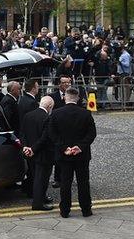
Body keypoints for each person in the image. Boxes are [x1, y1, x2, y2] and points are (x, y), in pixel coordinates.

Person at [49, 87, 96, 218]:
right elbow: (92, 134)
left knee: (65, 183)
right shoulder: (86, 114)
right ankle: (86, 209)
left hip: (64, 155)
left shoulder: (56, 113)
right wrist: (80, 147)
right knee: (83, 182)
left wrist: (64, 148)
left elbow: (52, 134)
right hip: (82, 155)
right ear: (78, 98)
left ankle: (65, 210)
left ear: (64, 98)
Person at [21, 95, 56, 211]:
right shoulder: (47, 118)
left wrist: (26, 147)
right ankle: (38, 203)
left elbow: (23, 133)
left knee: (35, 177)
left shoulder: (28, 116)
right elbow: (45, 138)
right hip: (43, 154)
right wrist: (33, 149)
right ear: (50, 106)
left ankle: (41, 197)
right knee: (42, 180)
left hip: (29, 153)